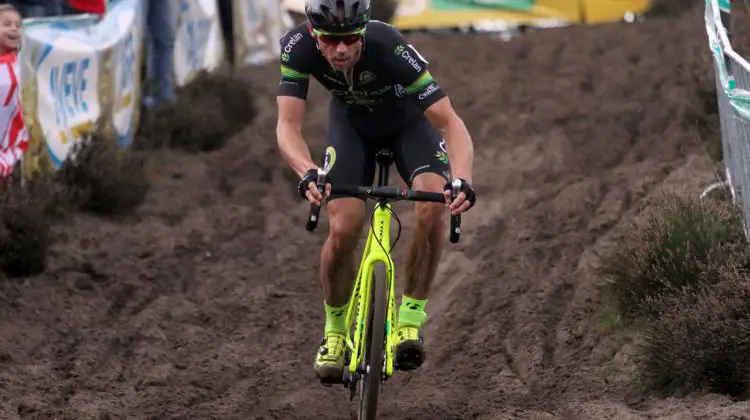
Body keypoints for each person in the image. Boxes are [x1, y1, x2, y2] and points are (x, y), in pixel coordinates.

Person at [275, 0, 477, 384]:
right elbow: (287, 125)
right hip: (350, 130)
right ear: (313, 32)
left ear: (364, 30)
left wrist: (461, 179)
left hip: (407, 126)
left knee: (433, 204)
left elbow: (450, 123)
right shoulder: (295, 47)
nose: (341, 50)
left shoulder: (390, 47)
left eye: (351, 38)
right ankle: (335, 333)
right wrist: (308, 172)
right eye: (331, 40)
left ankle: (410, 321)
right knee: (344, 227)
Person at [0, 4, 28, 185]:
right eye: (7, 24)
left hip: (9, 146)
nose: (14, 28)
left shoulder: (22, 66)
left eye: (18, 25)